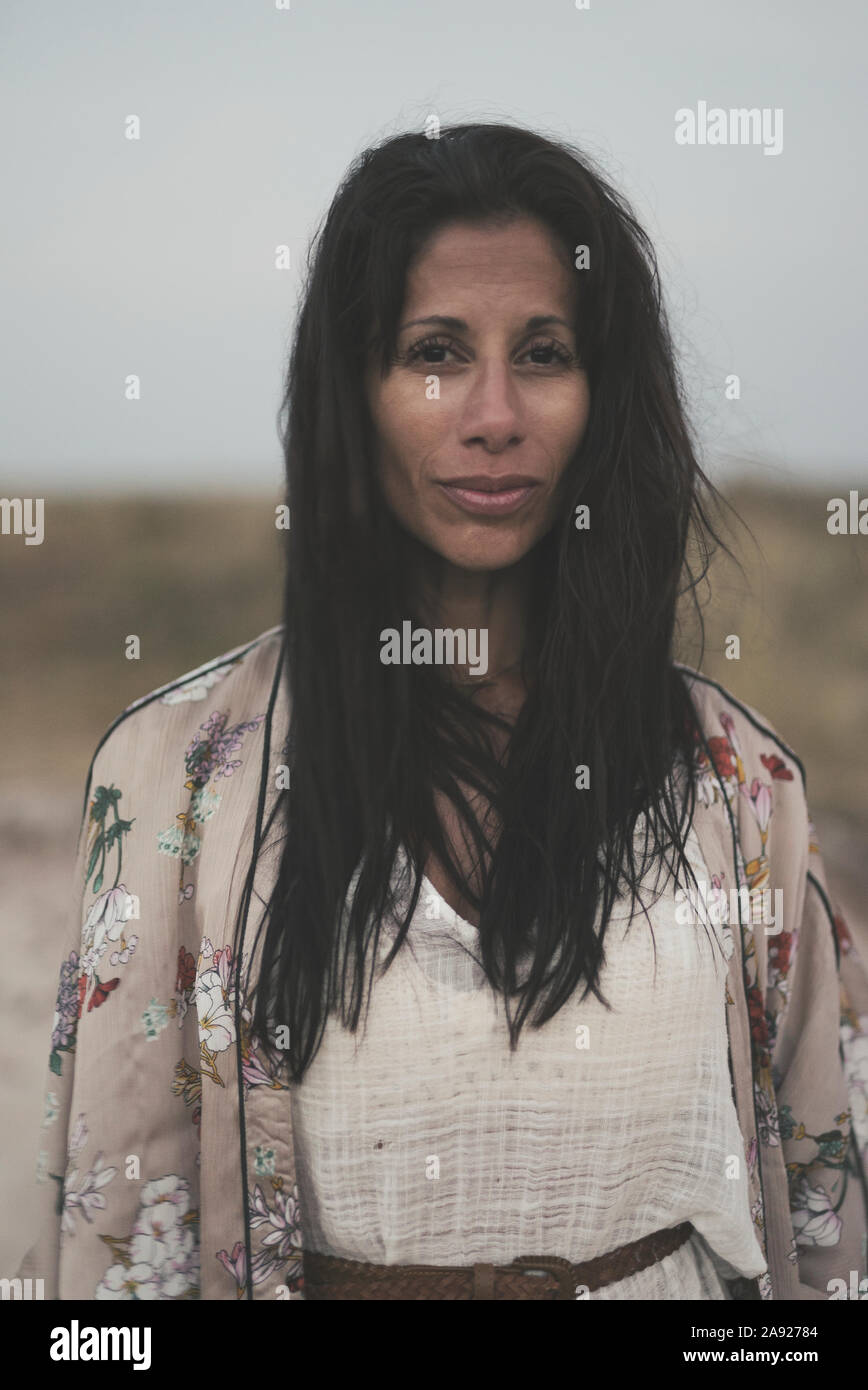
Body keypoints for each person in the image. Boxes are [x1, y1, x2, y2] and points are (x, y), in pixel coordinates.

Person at [16, 122, 868, 1301]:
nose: (493, 412)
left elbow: (828, 1231)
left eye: (544, 353)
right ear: (352, 392)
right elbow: (111, 1256)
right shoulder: (177, 775)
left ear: (601, 392)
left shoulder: (737, 784)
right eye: (433, 352)